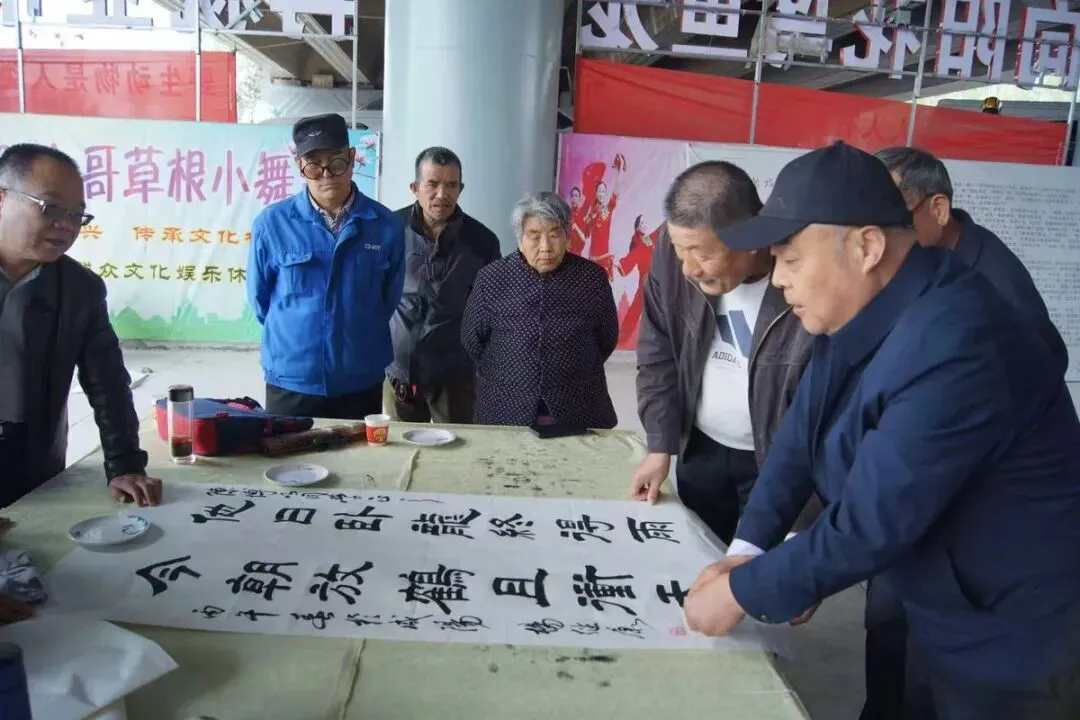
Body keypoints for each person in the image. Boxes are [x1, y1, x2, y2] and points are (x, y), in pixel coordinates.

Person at [683, 142, 1080, 720]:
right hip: (939, 598)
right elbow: (801, 435)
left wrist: (742, 592)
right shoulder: (863, 309)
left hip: (1017, 638)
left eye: (791, 260)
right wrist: (746, 550)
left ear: (866, 246)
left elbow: (871, 523)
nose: (780, 282)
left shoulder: (958, 342)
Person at [867, 146, 1068, 719]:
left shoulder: (998, 286)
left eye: (893, 213)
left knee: (929, 662)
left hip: (962, 508)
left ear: (937, 208)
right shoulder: (914, 263)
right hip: (913, 490)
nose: (877, 233)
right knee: (885, 623)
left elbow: (1034, 381)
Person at [629, 161, 814, 546]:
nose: (688, 269)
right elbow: (657, 351)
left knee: (761, 577)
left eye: (700, 254)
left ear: (752, 238)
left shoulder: (805, 275)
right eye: (681, 252)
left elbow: (827, 410)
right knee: (700, 561)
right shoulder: (675, 245)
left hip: (776, 465)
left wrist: (802, 519)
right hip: (702, 451)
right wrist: (660, 443)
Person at [0, 143, 161, 508]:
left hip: (33, 463)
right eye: (52, 208)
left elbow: (108, 384)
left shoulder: (80, 290)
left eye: (77, 215)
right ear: (2, 198)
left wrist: (125, 465)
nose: (66, 226)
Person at [247, 113, 405, 420]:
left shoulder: (386, 226)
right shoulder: (272, 224)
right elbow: (260, 302)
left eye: (335, 162)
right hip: (292, 380)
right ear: (299, 167)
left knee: (359, 465)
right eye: (313, 164)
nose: (326, 174)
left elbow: (388, 299)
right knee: (288, 464)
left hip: (360, 379)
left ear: (352, 157)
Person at [462, 191, 618, 428]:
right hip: (505, 407)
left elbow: (606, 338)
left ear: (567, 236)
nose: (545, 247)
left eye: (554, 235)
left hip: (578, 406)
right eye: (534, 236)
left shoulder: (591, 278)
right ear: (519, 238)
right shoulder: (492, 279)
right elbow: (472, 340)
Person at [385, 147, 501, 425]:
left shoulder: (482, 241)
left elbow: (492, 312)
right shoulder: (388, 229)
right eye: (432, 184)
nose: (442, 194)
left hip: (455, 374)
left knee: (457, 453)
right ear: (415, 187)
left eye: (451, 185)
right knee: (401, 452)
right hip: (397, 370)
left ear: (461, 189)